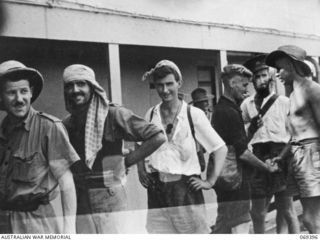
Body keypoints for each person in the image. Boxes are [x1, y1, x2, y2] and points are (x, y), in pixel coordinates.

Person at [62, 64, 165, 234]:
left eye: (81, 84)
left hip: (109, 197)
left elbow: (158, 136)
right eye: (69, 86)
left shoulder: (113, 114)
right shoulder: (67, 123)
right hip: (81, 198)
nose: (75, 90)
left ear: (92, 87)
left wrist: (127, 162)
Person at [138, 59, 227, 233]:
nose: (165, 90)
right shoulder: (150, 114)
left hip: (185, 191)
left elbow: (220, 148)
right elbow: (139, 143)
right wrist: (141, 170)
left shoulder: (193, 114)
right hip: (157, 191)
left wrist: (210, 181)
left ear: (179, 83)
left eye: (169, 84)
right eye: (160, 85)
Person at [0, 60, 78, 233]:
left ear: (31, 92)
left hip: (36, 223)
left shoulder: (48, 127)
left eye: (23, 91)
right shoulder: (2, 132)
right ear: (1, 96)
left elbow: (66, 182)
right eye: (11, 93)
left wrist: (69, 229)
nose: (19, 99)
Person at [211, 64, 279, 234]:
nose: (247, 91)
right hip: (235, 182)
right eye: (243, 85)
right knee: (240, 227)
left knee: (224, 227)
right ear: (232, 83)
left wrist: (252, 130)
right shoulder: (229, 112)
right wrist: (267, 168)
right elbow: (242, 153)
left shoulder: (224, 108)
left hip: (226, 180)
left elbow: (236, 144)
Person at [241, 55, 299, 233]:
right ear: (252, 81)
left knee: (287, 211)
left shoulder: (284, 102)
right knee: (258, 213)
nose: (261, 80)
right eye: (257, 77)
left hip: (280, 158)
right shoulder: (246, 104)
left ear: (271, 77)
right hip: (258, 160)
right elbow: (242, 136)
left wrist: (282, 158)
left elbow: (295, 135)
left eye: (264, 75)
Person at [266, 45, 320, 233]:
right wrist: (281, 156)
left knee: (311, 219)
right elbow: (296, 135)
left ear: (292, 65)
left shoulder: (312, 89)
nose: (278, 74)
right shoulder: (293, 94)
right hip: (297, 157)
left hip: (312, 159)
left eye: (280, 69)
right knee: (307, 217)